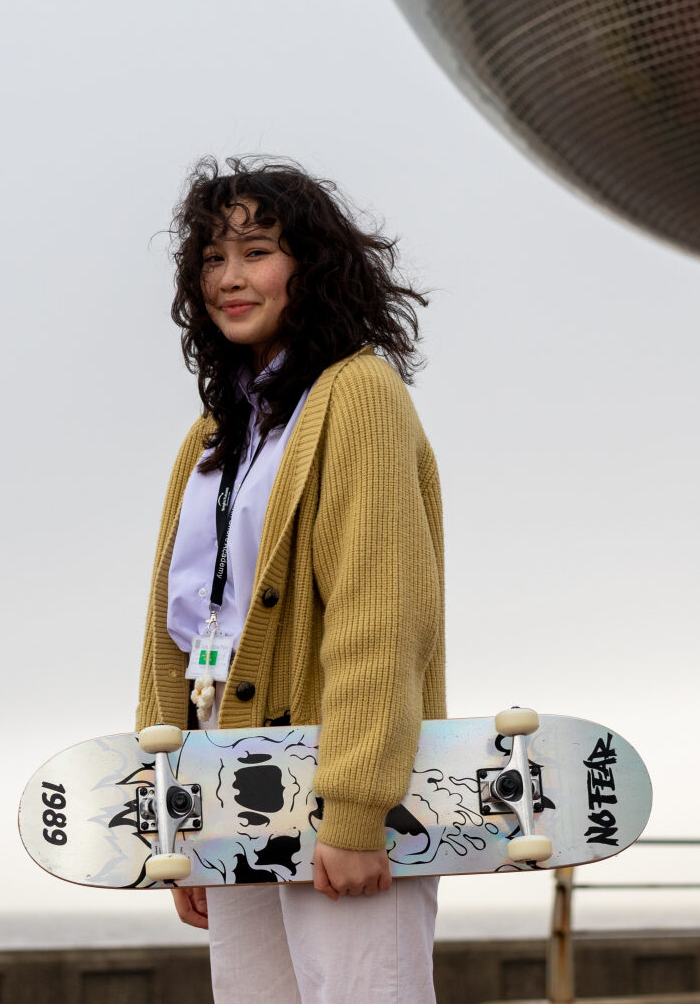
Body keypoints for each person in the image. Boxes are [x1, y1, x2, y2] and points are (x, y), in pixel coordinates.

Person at [136, 156, 445, 1004]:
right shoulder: (213, 431)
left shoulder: (358, 394)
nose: (230, 278)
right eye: (210, 258)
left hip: (339, 788)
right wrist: (176, 820)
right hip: (226, 784)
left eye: (257, 251)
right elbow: (175, 632)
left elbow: (380, 617)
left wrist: (355, 810)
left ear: (311, 265)